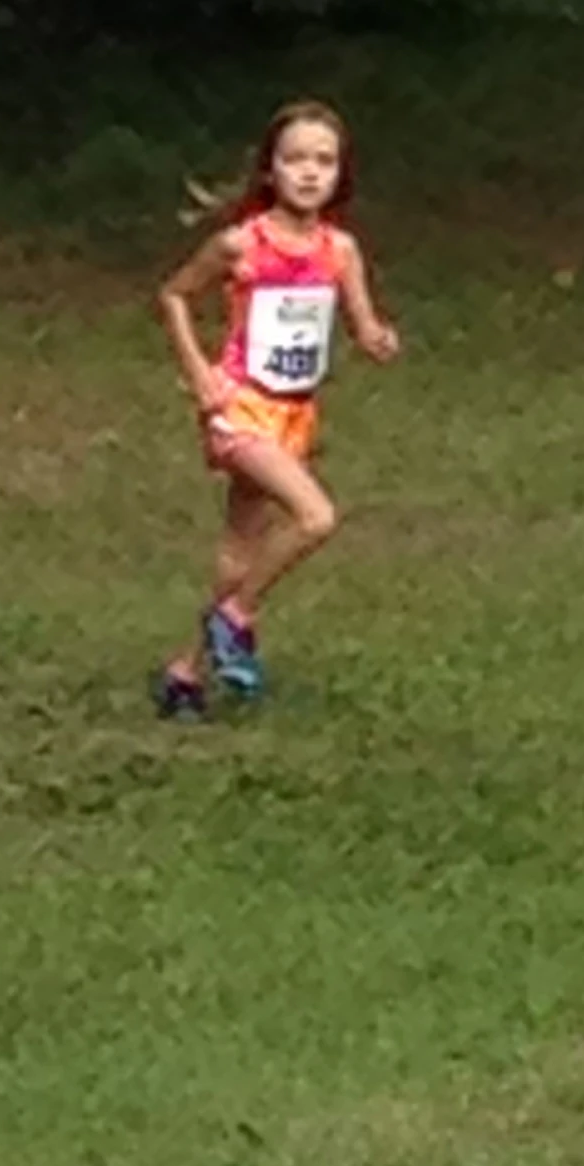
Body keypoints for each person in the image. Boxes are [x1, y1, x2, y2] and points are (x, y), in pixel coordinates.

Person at [151, 99, 401, 714]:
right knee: (316, 516)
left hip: (294, 412)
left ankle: (184, 674)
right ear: (270, 171)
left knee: (240, 546)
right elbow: (174, 296)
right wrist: (200, 373)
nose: (310, 173)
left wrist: (376, 339)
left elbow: (363, 325)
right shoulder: (242, 244)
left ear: (341, 173)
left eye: (325, 161)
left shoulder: (340, 252)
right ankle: (236, 617)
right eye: (295, 160)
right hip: (240, 408)